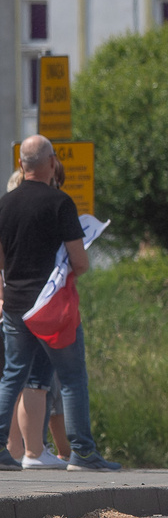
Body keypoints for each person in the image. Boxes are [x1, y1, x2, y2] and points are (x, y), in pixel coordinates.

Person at [0, 134, 120, 471]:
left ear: (22, 165)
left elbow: (2, 260)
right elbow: (79, 262)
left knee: (11, 376)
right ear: (52, 162)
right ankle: (82, 453)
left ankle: (0, 450)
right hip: (52, 307)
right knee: (71, 378)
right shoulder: (60, 203)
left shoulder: (5, 203)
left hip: (14, 304)